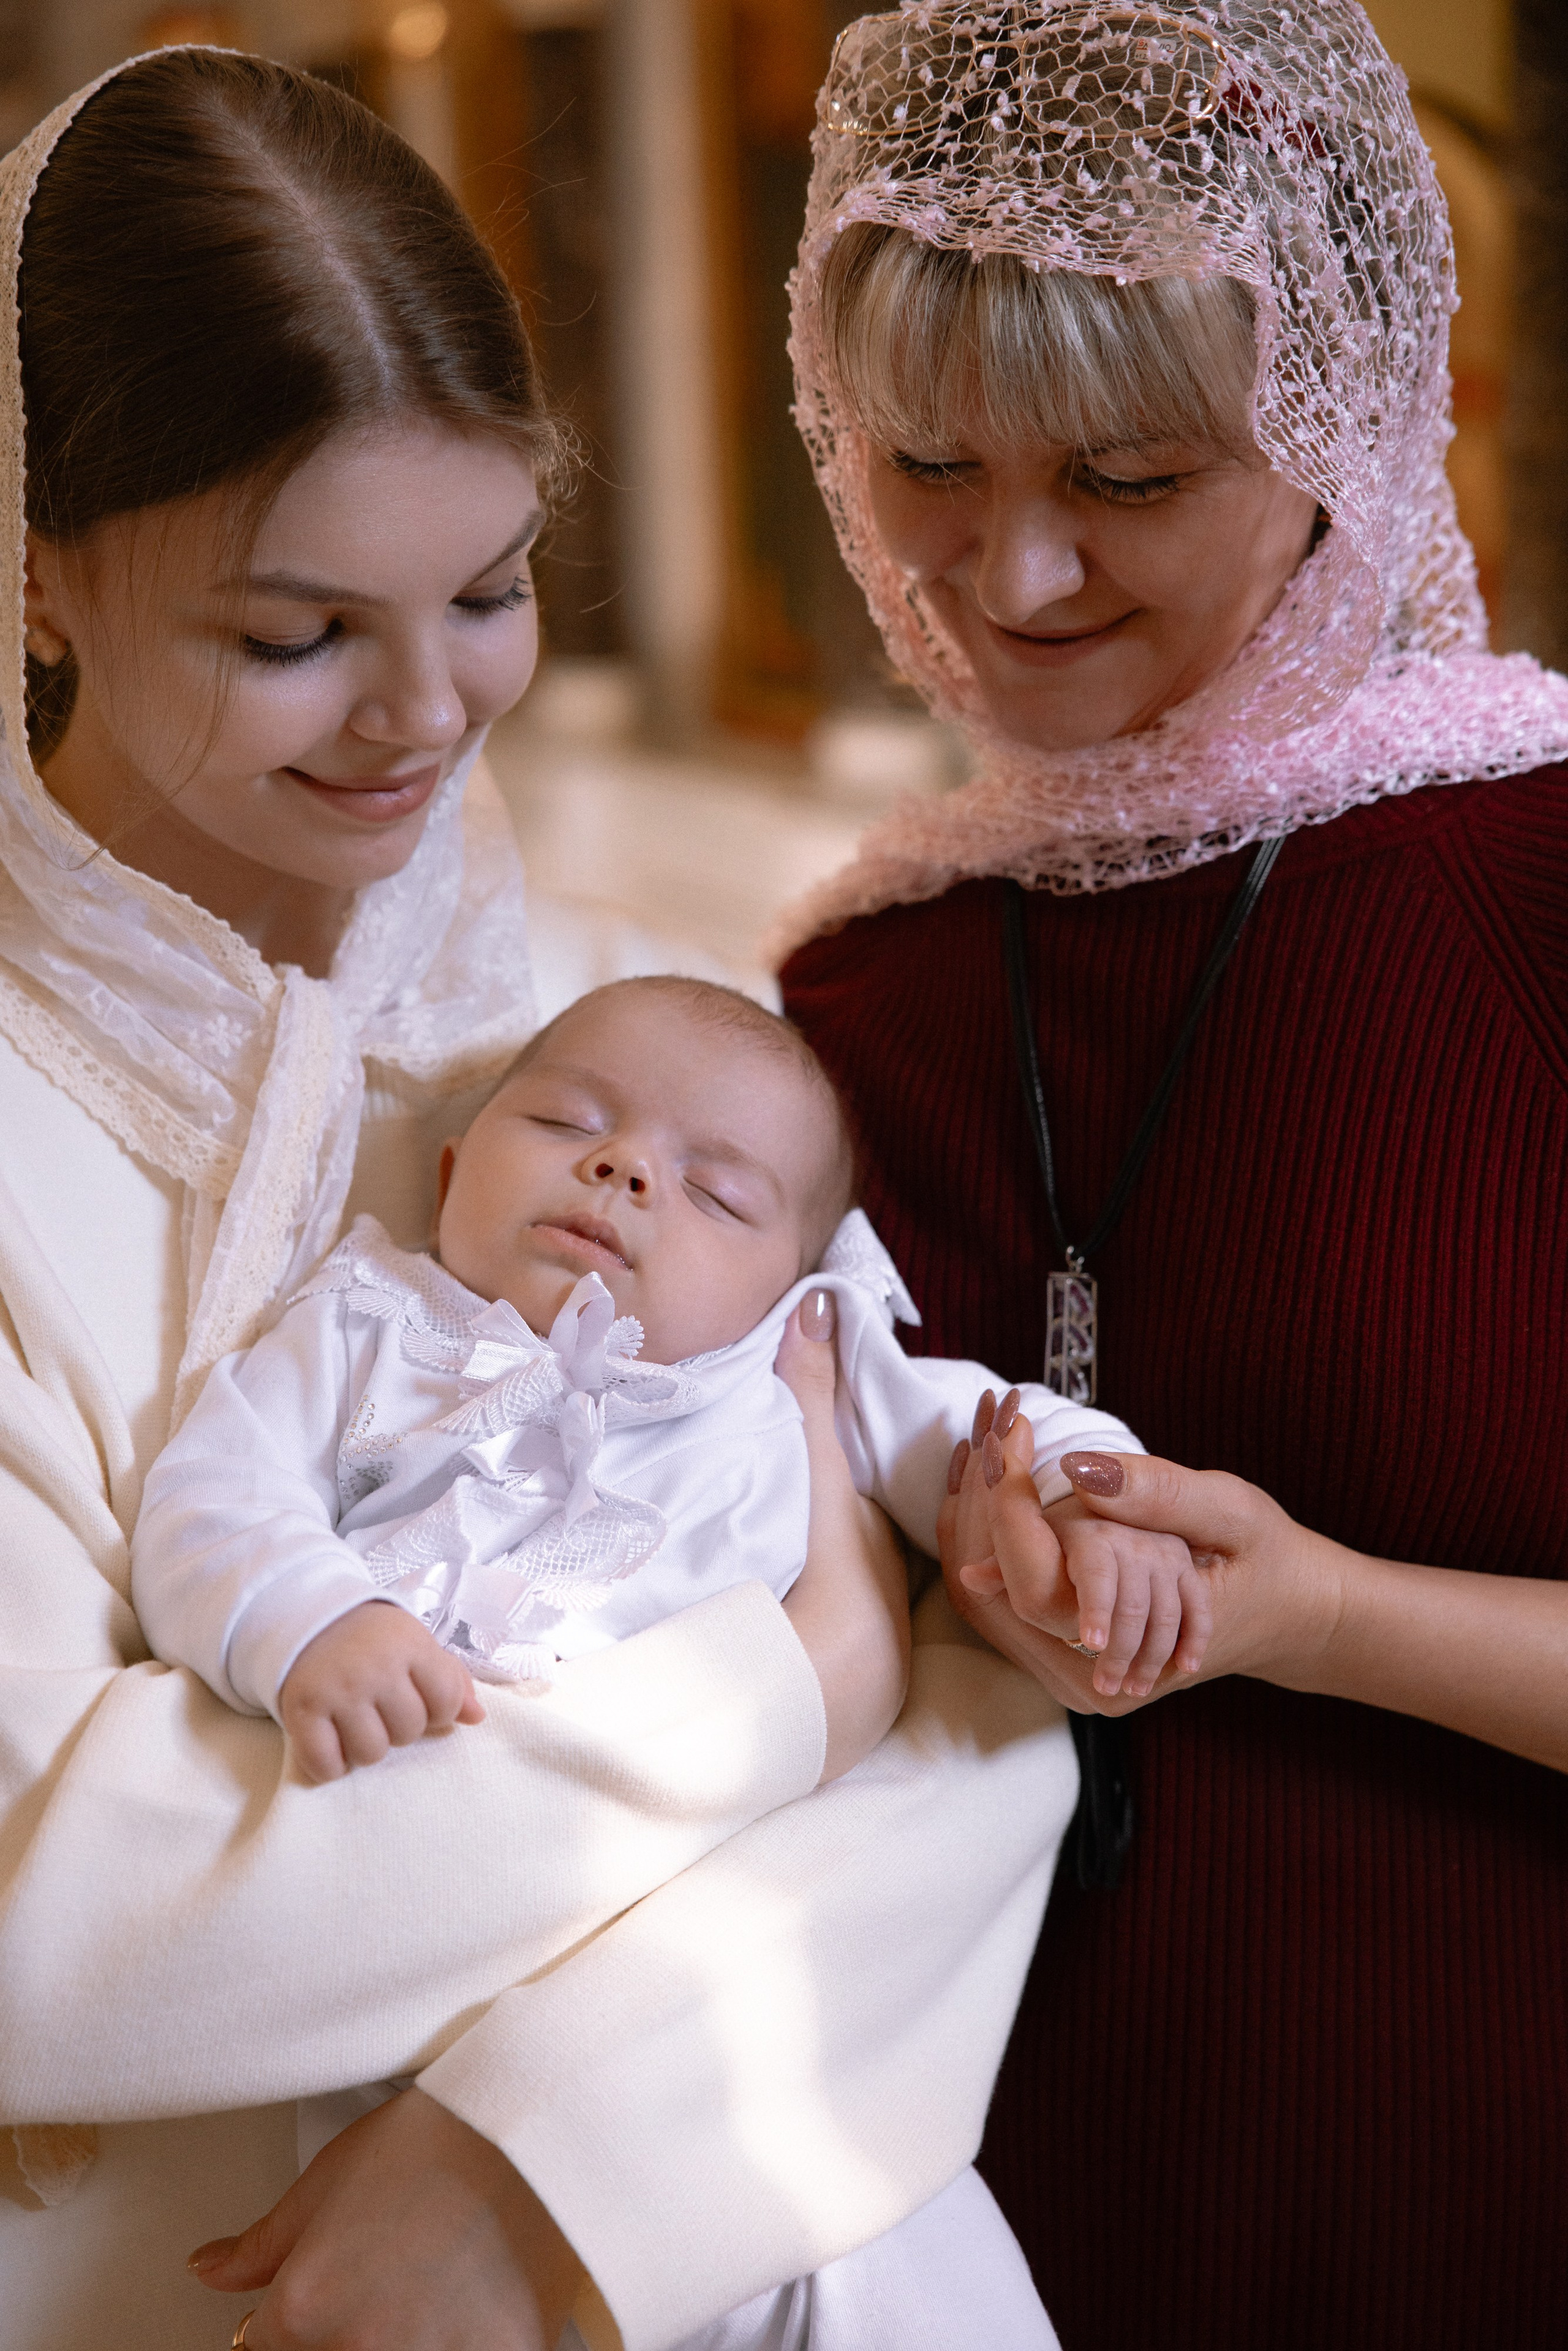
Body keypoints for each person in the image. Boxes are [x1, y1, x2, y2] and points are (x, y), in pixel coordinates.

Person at [0, 47, 1085, 2351]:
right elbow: (47, 1914)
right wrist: (790, 1679)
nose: (425, 716)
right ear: (36, 568)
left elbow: (982, 1740)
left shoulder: (625, 1036)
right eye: (294, 633)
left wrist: (559, 2157)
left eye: (487, 590)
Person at [774, 6, 1568, 2347]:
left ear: (1337, 420)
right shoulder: (852, 998)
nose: (1010, 573)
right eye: (928, 459)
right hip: (986, 2244)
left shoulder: (1528, 896)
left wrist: (1314, 1609)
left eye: (1126, 475)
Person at [137, 973, 1166, 2350]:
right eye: (568, 1120)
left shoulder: (809, 1368)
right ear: (452, 1169)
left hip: (718, 2000)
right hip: (436, 1974)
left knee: (904, 2251)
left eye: (719, 1193)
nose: (621, 1168)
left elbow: (990, 1432)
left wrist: (1089, 1508)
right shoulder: (372, 1320)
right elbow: (213, 1498)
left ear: (794, 1281)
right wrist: (309, 1619)